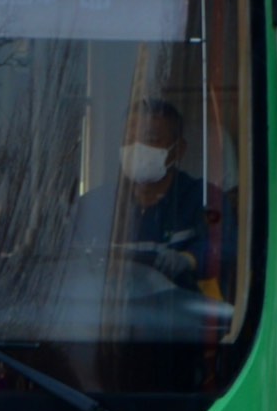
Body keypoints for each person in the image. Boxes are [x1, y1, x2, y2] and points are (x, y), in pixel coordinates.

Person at [92, 98, 223, 292]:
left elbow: (225, 245)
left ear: (178, 150)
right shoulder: (97, 203)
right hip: (109, 315)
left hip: (176, 315)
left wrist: (188, 259)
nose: (136, 149)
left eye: (151, 140)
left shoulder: (203, 197)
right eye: (129, 140)